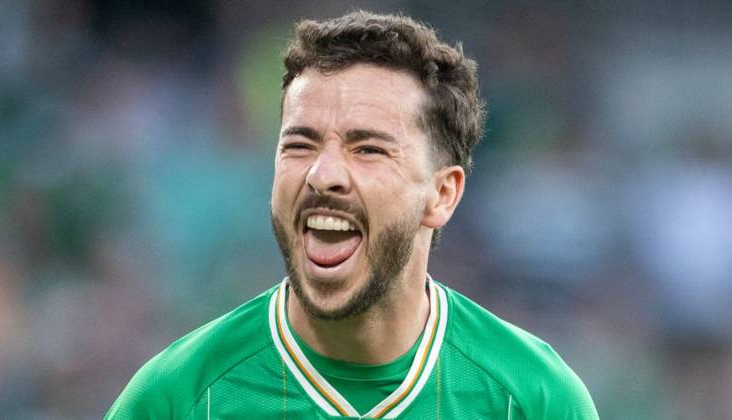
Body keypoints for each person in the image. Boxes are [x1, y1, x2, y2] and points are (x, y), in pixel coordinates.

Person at [106, 11, 599, 419]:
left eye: (368, 149)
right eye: (300, 144)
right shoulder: (178, 399)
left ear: (442, 194)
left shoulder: (533, 398)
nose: (322, 175)